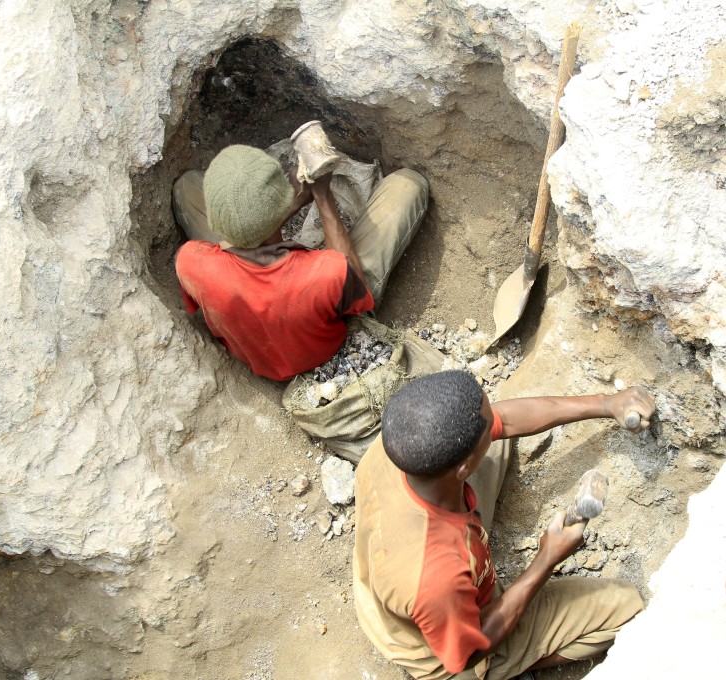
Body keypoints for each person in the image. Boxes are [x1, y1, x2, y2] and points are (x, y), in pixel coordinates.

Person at [353, 370, 656, 680]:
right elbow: (469, 652)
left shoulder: (401, 439)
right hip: (445, 649)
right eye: (491, 422)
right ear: (464, 468)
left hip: (400, 580)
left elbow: (504, 420)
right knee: (626, 607)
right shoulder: (435, 576)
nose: (498, 420)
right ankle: (512, 663)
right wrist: (546, 559)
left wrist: (607, 404)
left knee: (495, 440)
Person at [172, 142, 428, 381]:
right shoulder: (326, 274)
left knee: (187, 186)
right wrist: (322, 196)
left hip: (255, 349)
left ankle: (248, 220)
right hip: (325, 345)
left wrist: (288, 206)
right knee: (409, 185)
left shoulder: (191, 262)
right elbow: (346, 274)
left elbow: (241, 249)